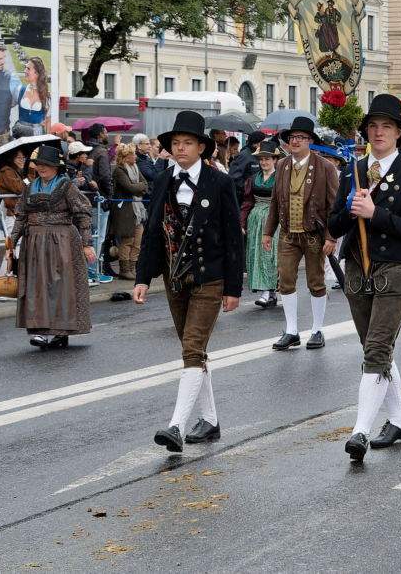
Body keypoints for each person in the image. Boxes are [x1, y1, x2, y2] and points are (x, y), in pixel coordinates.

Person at [134, 111, 244, 451]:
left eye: (187, 143)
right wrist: (142, 278)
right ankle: (209, 420)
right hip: (174, 278)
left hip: (210, 276)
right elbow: (152, 231)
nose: (180, 148)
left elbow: (233, 237)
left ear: (201, 147)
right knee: (193, 351)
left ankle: (176, 427)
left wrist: (233, 288)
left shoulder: (219, 182)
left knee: (192, 348)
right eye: (176, 143)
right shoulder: (163, 180)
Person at [330, 95, 401, 460]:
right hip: (358, 268)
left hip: (395, 268)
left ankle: (360, 431)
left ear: (400, 133)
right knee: (375, 349)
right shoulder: (353, 171)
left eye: (386, 126)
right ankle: (399, 419)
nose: (378, 132)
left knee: (376, 348)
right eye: (373, 126)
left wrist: (376, 214)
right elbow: (333, 226)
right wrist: (350, 209)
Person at [6, 145, 94, 349]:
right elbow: (21, 216)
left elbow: (83, 214)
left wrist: (87, 244)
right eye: (38, 164)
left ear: (56, 167)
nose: (41, 168)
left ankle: (60, 331)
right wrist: (11, 242)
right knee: (36, 286)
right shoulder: (30, 187)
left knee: (60, 287)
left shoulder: (66, 186)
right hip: (34, 243)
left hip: (62, 242)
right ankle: (40, 331)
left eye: (46, 164)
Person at [264, 117, 339, 351]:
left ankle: (317, 329)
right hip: (288, 233)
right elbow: (275, 201)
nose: (295, 141)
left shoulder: (325, 167)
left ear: (310, 141)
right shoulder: (282, 165)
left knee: (316, 282)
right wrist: (268, 232)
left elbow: (334, 206)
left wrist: (331, 236)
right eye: (292, 137)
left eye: (300, 137)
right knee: (285, 280)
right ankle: (291, 330)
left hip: (314, 234)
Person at [242, 139, 281, 307]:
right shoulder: (253, 179)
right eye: (261, 159)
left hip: (274, 220)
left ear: (275, 160)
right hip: (256, 220)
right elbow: (247, 202)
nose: (264, 162)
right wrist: (242, 222)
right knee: (257, 255)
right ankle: (267, 292)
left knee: (271, 255)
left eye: (267, 159)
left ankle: (270, 291)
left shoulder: (280, 178)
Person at [109, 143, 148, 280]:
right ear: (125, 157)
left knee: (138, 241)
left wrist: (138, 187)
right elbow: (130, 188)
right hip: (125, 210)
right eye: (133, 154)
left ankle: (133, 268)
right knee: (128, 241)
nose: (135, 156)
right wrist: (139, 187)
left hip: (137, 210)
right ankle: (124, 270)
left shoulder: (135, 167)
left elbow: (145, 184)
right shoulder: (119, 170)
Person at [228, 130, 266, 203]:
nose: (265, 145)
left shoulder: (257, 155)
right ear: (255, 144)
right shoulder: (244, 155)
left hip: (254, 196)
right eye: (263, 142)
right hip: (244, 198)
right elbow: (234, 177)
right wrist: (247, 188)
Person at [0, 148, 27, 218]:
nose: (22, 160)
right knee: (9, 225)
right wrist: (26, 183)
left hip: (14, 207)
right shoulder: (7, 171)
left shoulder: (16, 171)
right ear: (12, 159)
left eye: (23, 158)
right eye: (19, 158)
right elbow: (19, 189)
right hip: (9, 209)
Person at [17, 57, 49, 127]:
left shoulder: (46, 95)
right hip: (21, 132)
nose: (25, 71)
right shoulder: (21, 89)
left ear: (37, 73)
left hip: (37, 132)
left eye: (28, 68)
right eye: (25, 68)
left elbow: (48, 119)